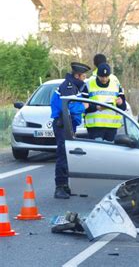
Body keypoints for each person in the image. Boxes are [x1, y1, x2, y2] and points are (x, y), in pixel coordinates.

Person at [50, 62, 90, 199]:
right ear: (78, 75)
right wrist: (84, 106)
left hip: (67, 124)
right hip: (63, 124)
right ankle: (60, 186)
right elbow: (69, 107)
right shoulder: (69, 87)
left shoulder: (72, 85)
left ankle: (65, 186)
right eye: (84, 76)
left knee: (66, 155)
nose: (84, 79)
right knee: (63, 155)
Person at [85, 63, 127, 141]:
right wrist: (96, 107)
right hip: (94, 128)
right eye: (102, 77)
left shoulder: (116, 84)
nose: (104, 79)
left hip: (112, 128)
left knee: (109, 152)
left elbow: (123, 107)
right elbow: (83, 106)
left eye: (106, 76)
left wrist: (120, 103)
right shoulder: (89, 84)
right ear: (97, 75)